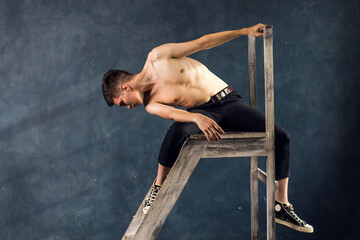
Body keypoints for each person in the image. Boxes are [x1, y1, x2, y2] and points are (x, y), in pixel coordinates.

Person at [101, 23, 313, 233]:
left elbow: (204, 43)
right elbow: (175, 114)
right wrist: (196, 118)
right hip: (204, 113)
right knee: (177, 131)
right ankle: (159, 186)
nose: (128, 107)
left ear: (125, 88)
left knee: (282, 137)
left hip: (229, 102)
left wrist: (244, 32)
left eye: (123, 102)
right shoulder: (151, 104)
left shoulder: (157, 57)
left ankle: (280, 205)